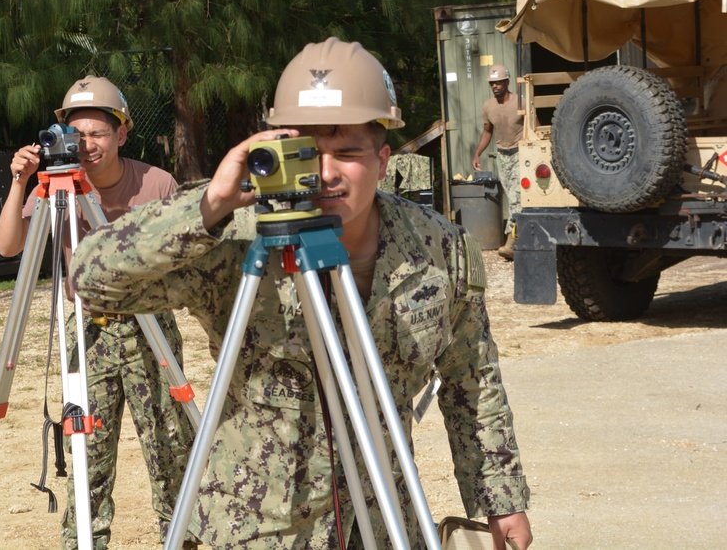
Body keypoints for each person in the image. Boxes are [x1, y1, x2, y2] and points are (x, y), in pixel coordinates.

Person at [70, 39, 533, 550]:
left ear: (382, 160)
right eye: (308, 153)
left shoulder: (439, 248)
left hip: (382, 520)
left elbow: (473, 380)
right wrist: (208, 207)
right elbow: (91, 278)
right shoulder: (238, 239)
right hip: (260, 524)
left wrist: (501, 499)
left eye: (347, 152)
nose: (327, 172)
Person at [0, 76, 197, 550]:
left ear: (122, 134)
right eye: (75, 133)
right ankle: (84, 540)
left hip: (151, 327)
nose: (85, 145)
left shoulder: (157, 183)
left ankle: (182, 538)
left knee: (170, 452)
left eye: (98, 133)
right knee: (86, 455)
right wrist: (20, 180)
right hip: (89, 330)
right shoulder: (57, 188)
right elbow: (8, 246)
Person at [472, 64, 530, 261]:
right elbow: (488, 132)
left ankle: (511, 242)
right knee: (511, 198)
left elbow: (534, 125)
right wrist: (477, 153)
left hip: (521, 153)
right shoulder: (488, 106)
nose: (495, 86)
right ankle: (520, 240)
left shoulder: (521, 102)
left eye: (498, 82)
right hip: (503, 156)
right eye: (492, 83)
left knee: (517, 197)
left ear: (507, 82)